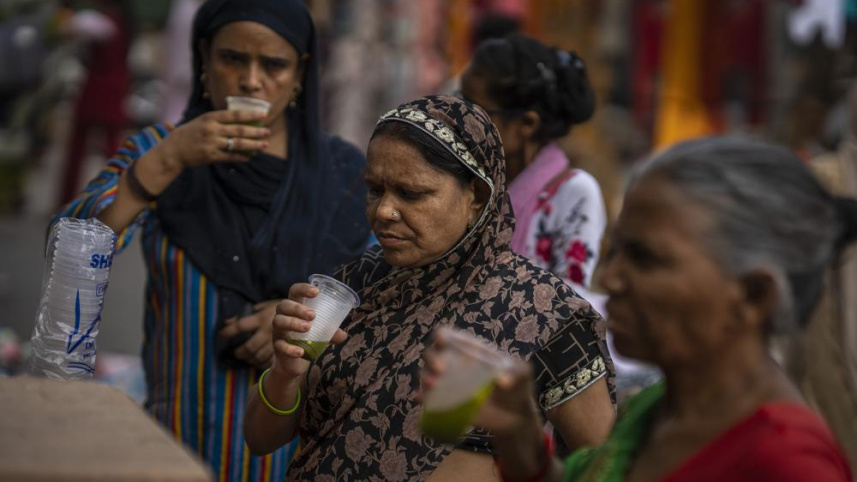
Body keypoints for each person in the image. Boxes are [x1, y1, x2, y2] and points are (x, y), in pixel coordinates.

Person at [51, 1, 370, 480]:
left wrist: (302, 327)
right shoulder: (158, 151)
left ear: (301, 73)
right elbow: (68, 249)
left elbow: (386, 302)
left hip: (294, 461)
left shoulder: (346, 176)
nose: (251, 81)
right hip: (173, 445)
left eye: (274, 65)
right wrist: (167, 161)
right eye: (232, 59)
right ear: (204, 59)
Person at [422, 137, 856, 481]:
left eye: (646, 258)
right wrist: (520, 438)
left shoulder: (787, 461)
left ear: (753, 296)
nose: (610, 280)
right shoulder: (654, 409)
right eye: (617, 252)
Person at [243, 95, 616, 480]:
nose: (384, 211)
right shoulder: (356, 284)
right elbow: (260, 439)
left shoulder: (545, 314)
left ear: (477, 196)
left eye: (412, 194)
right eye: (375, 190)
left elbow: (605, 469)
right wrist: (286, 371)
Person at [457, 35, 606, 304]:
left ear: (526, 123)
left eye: (472, 109)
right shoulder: (470, 178)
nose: (458, 118)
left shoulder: (574, 193)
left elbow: (564, 308)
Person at [58, 0, 132, 206]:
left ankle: (67, 200)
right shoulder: (122, 21)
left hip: (97, 90)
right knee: (111, 151)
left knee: (79, 150)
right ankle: (116, 200)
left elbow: (72, 26)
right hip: (115, 89)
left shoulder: (102, 21)